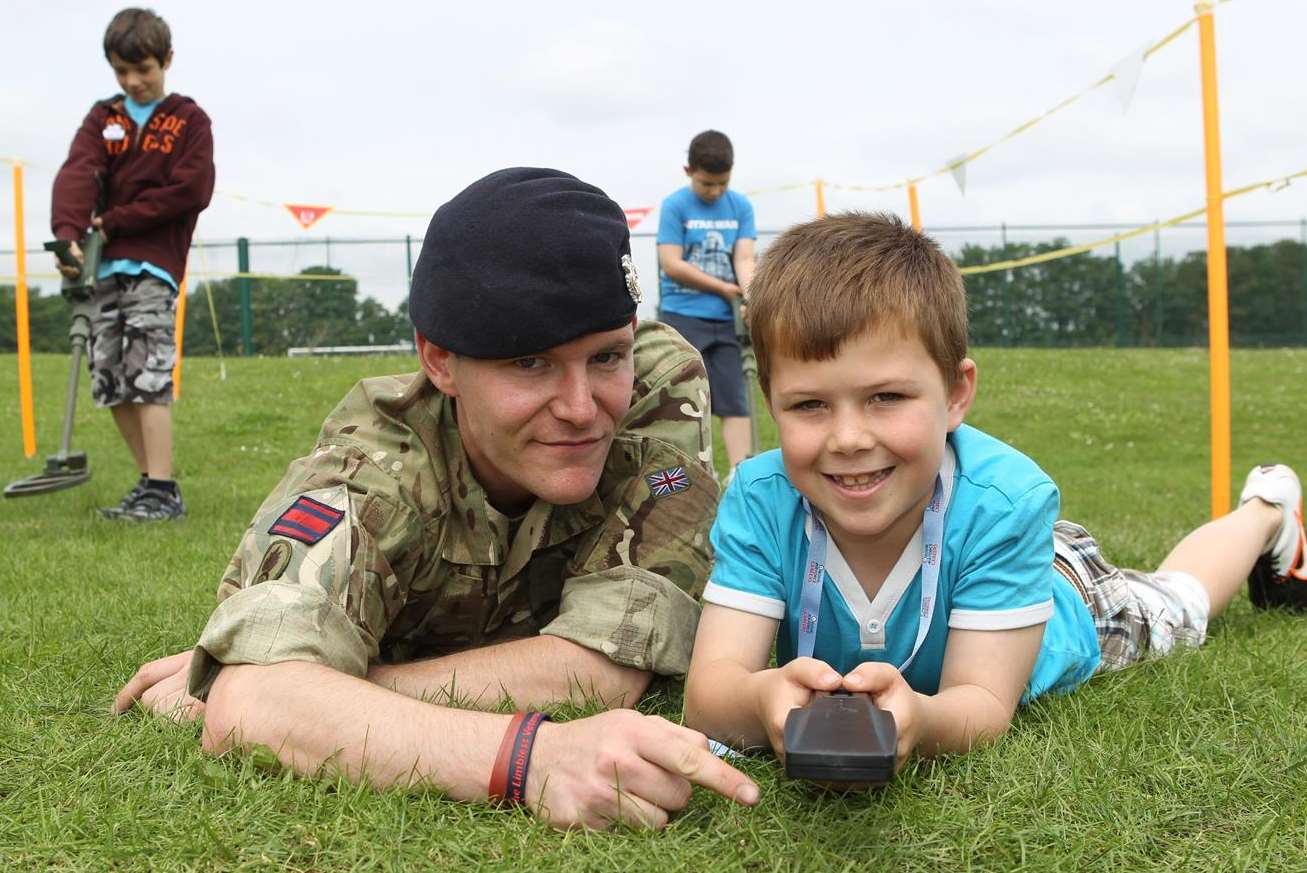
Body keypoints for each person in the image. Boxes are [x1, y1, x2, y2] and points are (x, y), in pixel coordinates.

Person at [114, 168, 759, 830]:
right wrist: (534, 759)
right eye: (529, 363)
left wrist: (337, 690)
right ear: (439, 360)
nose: (581, 408)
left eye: (605, 357)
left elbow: (606, 662)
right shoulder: (376, 467)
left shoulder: (658, 384)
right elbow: (256, 701)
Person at [683, 212, 1307, 770]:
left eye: (887, 398)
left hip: (1062, 589)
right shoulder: (761, 499)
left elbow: (981, 703)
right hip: (981, 537)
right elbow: (710, 693)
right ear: (770, 402)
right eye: (810, 405)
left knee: (1180, 605)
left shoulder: (1010, 503)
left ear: (956, 394)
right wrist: (761, 698)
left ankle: (1267, 510)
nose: (847, 438)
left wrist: (921, 722)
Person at [50, 7, 215, 521]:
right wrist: (69, 235)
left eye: (143, 68)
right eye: (122, 71)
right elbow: (78, 173)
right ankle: (150, 486)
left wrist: (115, 221)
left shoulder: (188, 120)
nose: (134, 81)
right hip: (103, 269)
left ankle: (163, 490)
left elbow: (190, 189)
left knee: (148, 375)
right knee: (113, 378)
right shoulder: (104, 119)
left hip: (154, 266)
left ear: (166, 59)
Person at [656, 130, 757, 473]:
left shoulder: (741, 206)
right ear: (688, 171)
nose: (715, 192)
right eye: (706, 184)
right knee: (680, 400)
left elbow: (744, 260)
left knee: (734, 400)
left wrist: (751, 295)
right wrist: (723, 288)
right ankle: (688, 473)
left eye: (722, 184)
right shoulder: (675, 206)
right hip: (683, 315)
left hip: (725, 319)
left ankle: (739, 476)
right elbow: (672, 264)